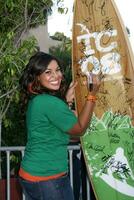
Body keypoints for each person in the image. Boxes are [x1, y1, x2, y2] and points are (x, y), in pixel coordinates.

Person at [18, 51, 101, 200]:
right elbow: (80, 129)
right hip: (47, 178)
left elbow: (60, 133)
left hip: (33, 174)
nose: (56, 76)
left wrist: (67, 102)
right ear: (37, 77)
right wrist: (92, 94)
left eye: (57, 70)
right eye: (48, 72)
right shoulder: (50, 103)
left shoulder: (38, 100)